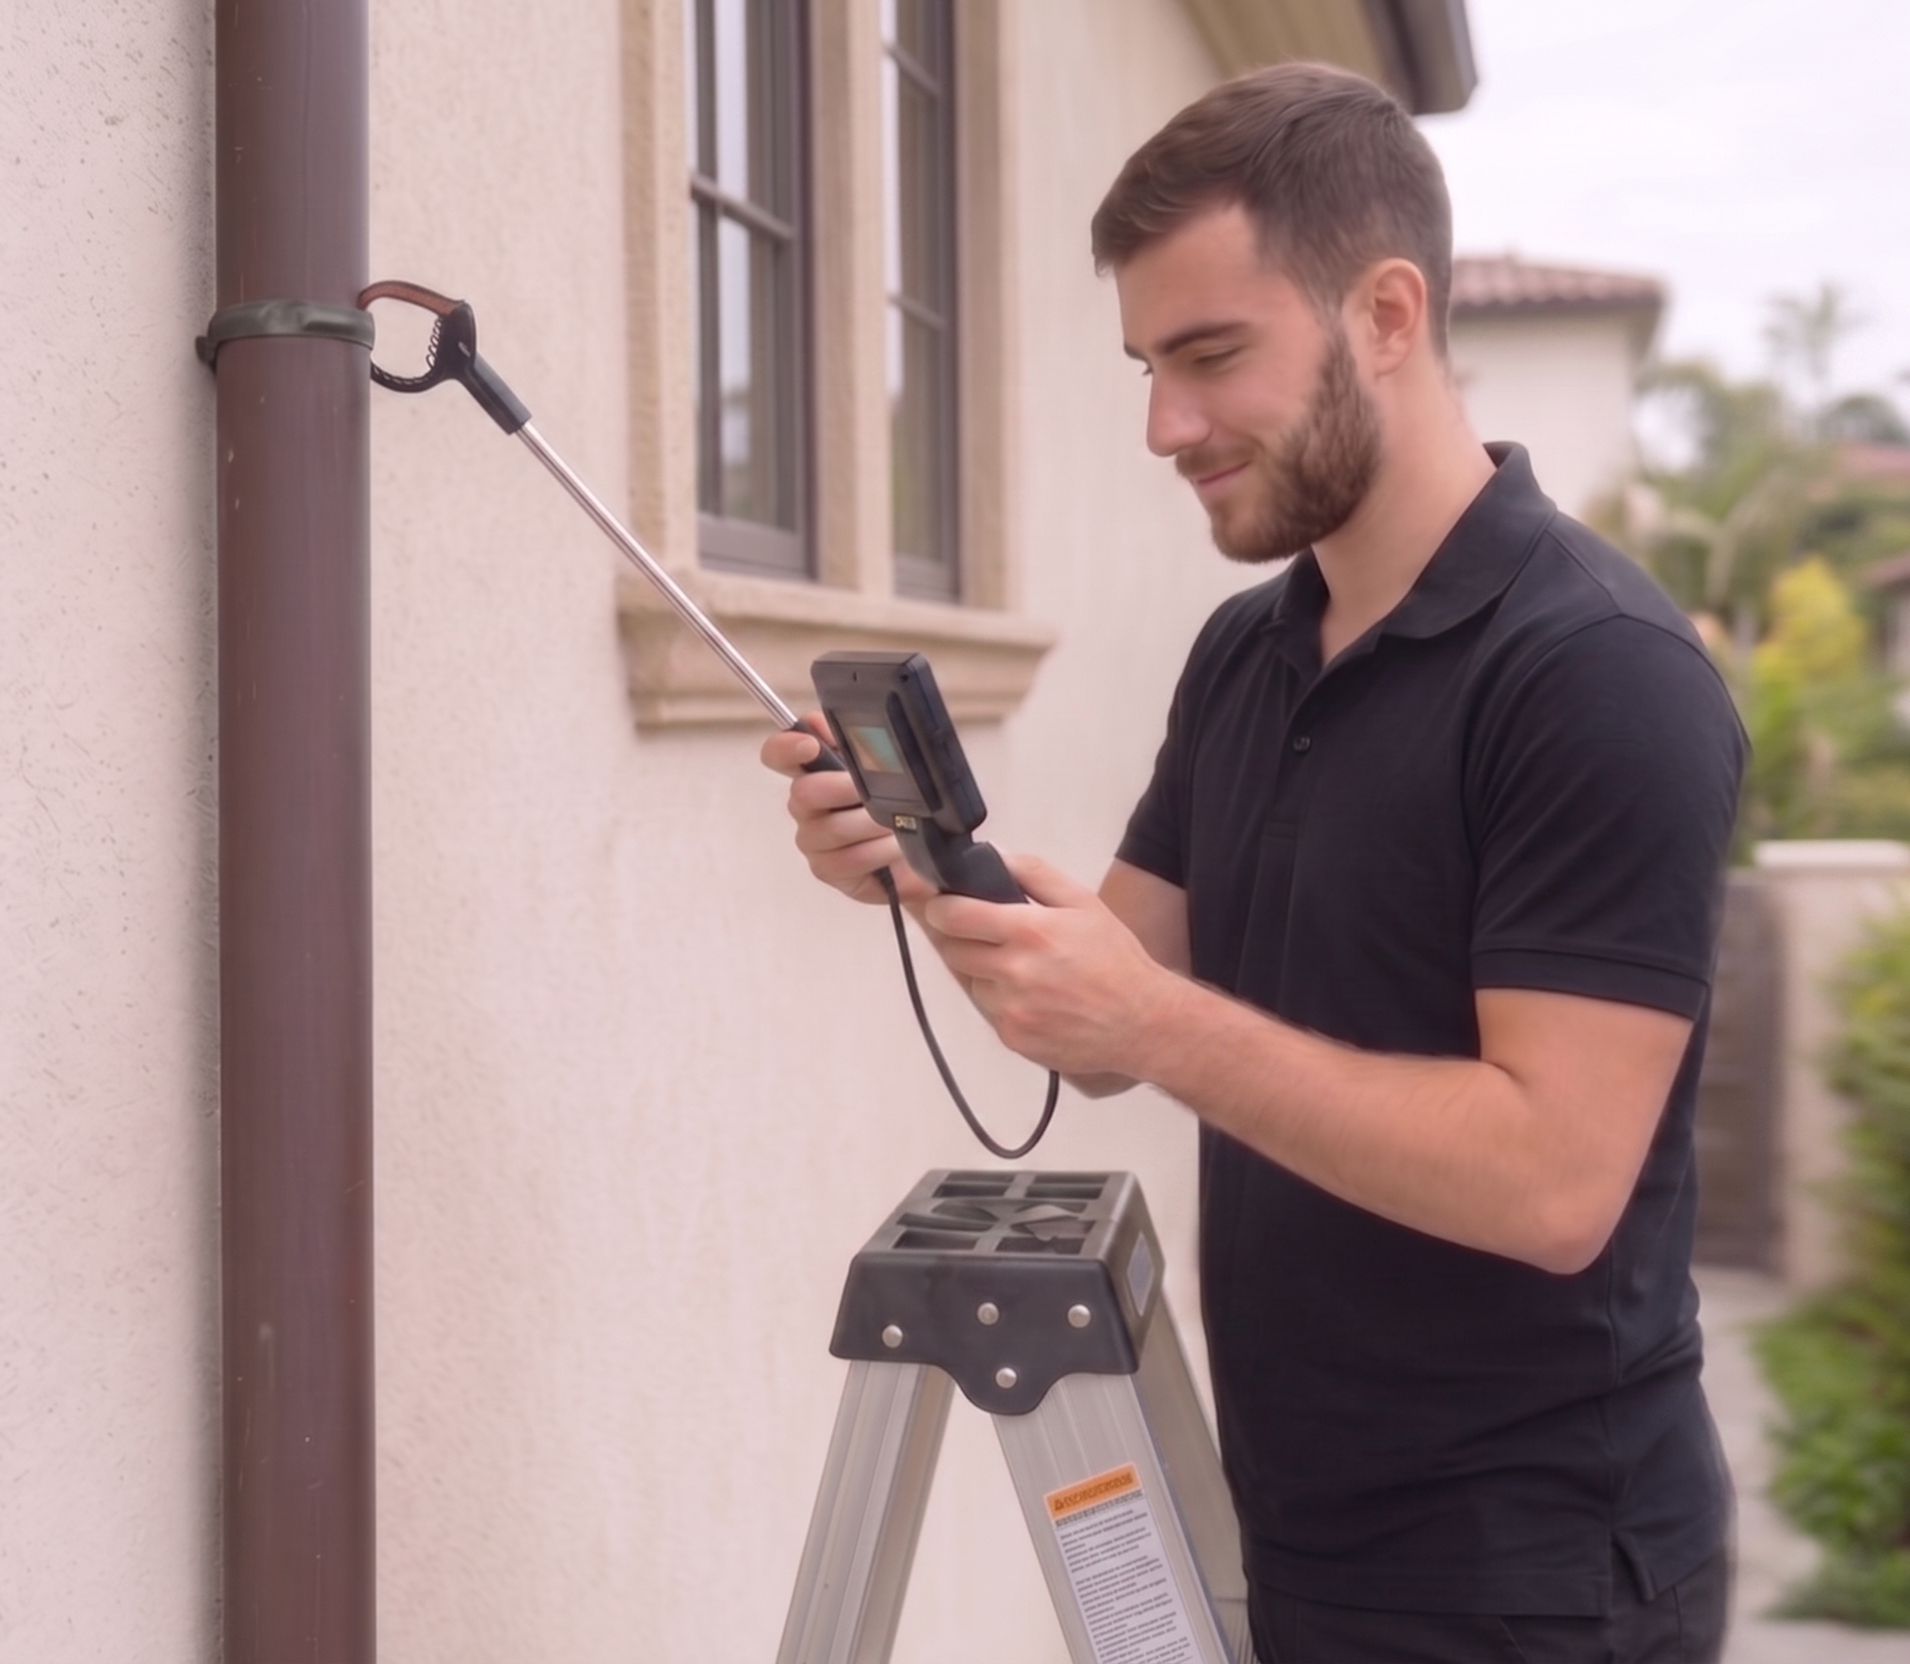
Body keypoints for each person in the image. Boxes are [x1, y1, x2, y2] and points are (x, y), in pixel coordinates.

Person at [764, 62, 1745, 1664]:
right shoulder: (1247, 650)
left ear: (1386, 313)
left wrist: (1152, 1022)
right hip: (1293, 1520)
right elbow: (1103, 1016)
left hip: (1536, 1581)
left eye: (1211, 355)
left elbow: (1553, 1183)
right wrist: (919, 872)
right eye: (1149, 366)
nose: (1165, 426)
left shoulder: (1597, 674)